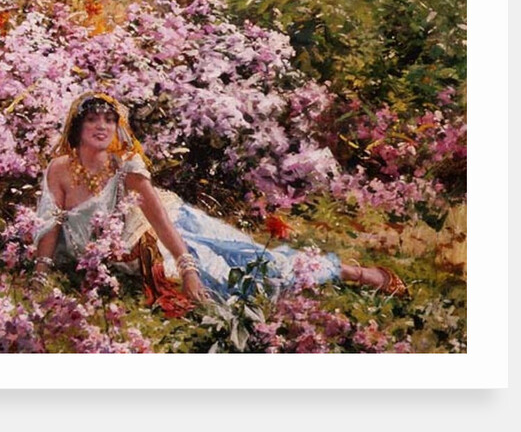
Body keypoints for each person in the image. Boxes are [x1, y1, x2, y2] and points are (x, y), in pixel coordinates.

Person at [33, 91, 407, 315]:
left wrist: (189, 266)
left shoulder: (125, 167)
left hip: (169, 234)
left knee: (250, 265)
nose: (101, 126)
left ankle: (355, 273)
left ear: (117, 128)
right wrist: (41, 272)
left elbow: (159, 219)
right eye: (92, 120)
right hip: (132, 255)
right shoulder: (60, 169)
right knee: (227, 285)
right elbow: (51, 224)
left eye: (109, 121)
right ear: (77, 128)